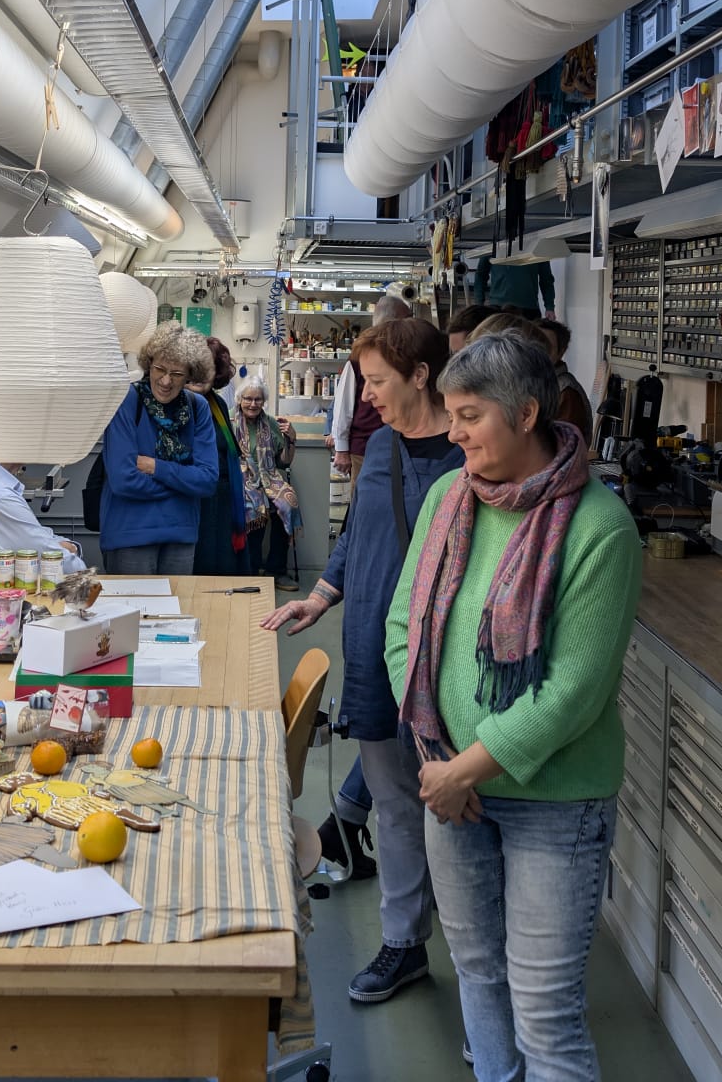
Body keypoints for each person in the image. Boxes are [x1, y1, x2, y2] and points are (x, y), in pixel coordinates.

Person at [385, 333, 643, 1082]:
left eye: (471, 417)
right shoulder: (450, 498)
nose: (455, 434)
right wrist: (439, 759)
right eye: (452, 415)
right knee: (477, 972)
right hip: (451, 787)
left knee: (545, 1011)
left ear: (527, 414)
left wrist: (463, 770)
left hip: (553, 805)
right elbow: (404, 630)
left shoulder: (599, 528)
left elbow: (572, 693)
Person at [265, 318, 464, 1004]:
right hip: (374, 656)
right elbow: (357, 534)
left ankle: (477, 968)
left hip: (444, 666)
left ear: (421, 376)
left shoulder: (467, 456)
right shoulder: (380, 445)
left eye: (377, 381)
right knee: (396, 807)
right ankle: (404, 944)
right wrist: (320, 596)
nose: (368, 395)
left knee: (459, 817)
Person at [96, 322, 218, 575]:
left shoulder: (198, 408)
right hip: (129, 535)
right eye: (159, 369)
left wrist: (156, 467)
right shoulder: (127, 400)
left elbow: (207, 480)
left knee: (178, 602)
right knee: (132, 603)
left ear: (190, 375)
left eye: (177, 374)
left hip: (181, 536)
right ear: (148, 364)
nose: (165, 381)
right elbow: (123, 480)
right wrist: (183, 486)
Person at [329, 295, 412, 480]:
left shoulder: (404, 354)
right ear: (392, 321)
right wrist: (341, 449)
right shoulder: (360, 356)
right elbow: (343, 404)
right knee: (364, 494)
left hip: (398, 445)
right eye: (407, 318)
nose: (410, 324)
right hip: (363, 448)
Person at [192, 336, 252, 577]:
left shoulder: (216, 403)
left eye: (208, 368)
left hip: (224, 499)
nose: (200, 376)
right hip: (198, 501)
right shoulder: (183, 404)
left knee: (225, 568)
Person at [232, 381, 300, 581]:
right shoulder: (229, 420)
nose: (253, 404)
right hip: (239, 479)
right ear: (239, 399)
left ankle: (276, 569)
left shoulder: (271, 423)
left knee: (287, 504)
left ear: (264, 401)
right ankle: (251, 568)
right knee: (254, 506)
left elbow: (284, 462)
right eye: (248, 399)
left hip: (268, 478)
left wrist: (291, 439)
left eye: (258, 399)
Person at [536, 317, 596, 448]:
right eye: (534, 344)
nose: (538, 351)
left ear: (561, 352)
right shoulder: (536, 383)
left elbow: (564, 448)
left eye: (546, 346)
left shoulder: (566, 392)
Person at [470, 257, 555, 321]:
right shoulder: (494, 243)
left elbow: (546, 279)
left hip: (528, 309)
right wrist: (479, 303)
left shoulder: (536, 245)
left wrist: (549, 307)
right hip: (498, 308)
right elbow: (481, 275)